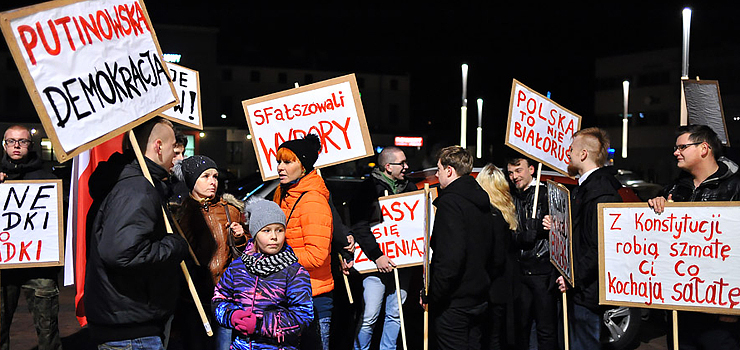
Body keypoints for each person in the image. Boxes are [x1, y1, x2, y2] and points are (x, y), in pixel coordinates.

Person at [84, 118, 189, 349]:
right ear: (158, 146)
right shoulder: (137, 188)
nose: (177, 157)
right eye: (174, 148)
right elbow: (123, 253)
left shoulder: (135, 183)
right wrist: (175, 245)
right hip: (132, 330)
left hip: (126, 321)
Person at [647, 124, 740, 350]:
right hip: (681, 305)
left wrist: (736, 303)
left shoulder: (735, 187)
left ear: (704, 148)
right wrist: (656, 205)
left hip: (720, 308)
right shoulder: (676, 188)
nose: (675, 152)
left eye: (682, 147)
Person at [544, 127, 622, 350]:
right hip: (579, 289)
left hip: (585, 292)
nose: (567, 154)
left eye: (570, 150)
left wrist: (572, 277)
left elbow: (599, 246)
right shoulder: (586, 188)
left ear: (583, 154)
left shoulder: (600, 192)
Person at [213, 198, 314, 350]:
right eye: (266, 230)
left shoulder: (294, 271)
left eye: (279, 230)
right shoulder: (238, 267)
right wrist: (231, 316)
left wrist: (260, 324)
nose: (274, 236)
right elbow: (219, 299)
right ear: (254, 233)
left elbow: (303, 315)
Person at [170, 155, 248, 350]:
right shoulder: (180, 214)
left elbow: (247, 252)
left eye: (215, 176)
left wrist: (240, 237)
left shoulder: (230, 210)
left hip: (226, 296)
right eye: (205, 176)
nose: (213, 182)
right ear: (191, 180)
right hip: (194, 300)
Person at [422, 146, 495, 350]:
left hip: (454, 301)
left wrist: (433, 294)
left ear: (449, 170)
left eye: (438, 169)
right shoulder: (480, 200)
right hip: (478, 296)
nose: (436, 174)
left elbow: (450, 258)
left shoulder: (451, 203)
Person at [0, 125, 62, 350]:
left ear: (30, 144)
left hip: (39, 267)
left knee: (48, 332)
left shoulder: (46, 178)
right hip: (4, 267)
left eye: (22, 141)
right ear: (4, 144)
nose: (16, 146)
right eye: (11, 141)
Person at [272, 134, 333, 350]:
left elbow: (317, 256)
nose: (280, 167)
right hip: (288, 294)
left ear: (304, 166)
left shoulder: (312, 200)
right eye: (279, 161)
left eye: (288, 162)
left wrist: (276, 258)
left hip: (312, 298)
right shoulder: (282, 193)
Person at [354, 146, 417, 350]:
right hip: (374, 264)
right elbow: (360, 226)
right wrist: (377, 255)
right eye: (402, 163)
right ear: (388, 167)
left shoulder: (410, 189)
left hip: (402, 263)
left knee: (395, 314)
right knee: (369, 315)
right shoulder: (368, 189)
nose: (407, 167)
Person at [506, 157, 558, 350]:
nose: (514, 176)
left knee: (546, 329)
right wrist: (520, 237)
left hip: (543, 272)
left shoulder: (547, 194)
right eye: (511, 172)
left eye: (518, 170)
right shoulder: (513, 197)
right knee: (521, 329)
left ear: (532, 169)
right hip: (520, 272)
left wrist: (547, 227)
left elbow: (563, 230)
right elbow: (508, 233)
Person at [476, 164, 518, 350]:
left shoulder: (488, 215)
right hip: (503, 286)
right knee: (495, 335)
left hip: (489, 287)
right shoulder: (507, 212)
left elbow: (495, 258)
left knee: (486, 336)